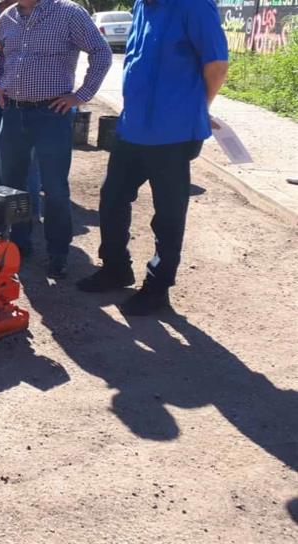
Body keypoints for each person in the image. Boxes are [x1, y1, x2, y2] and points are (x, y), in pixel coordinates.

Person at [77, 0, 229, 315]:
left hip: (173, 132)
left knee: (168, 215)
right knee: (112, 198)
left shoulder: (195, 6)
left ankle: (158, 287)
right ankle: (117, 267)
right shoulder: (143, 6)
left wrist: (198, 108)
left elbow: (216, 66)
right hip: (132, 128)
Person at [0, 0, 111, 278]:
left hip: (52, 115)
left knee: (55, 188)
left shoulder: (68, 13)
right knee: (11, 186)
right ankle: (18, 245)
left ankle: (58, 253)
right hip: (13, 112)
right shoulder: (8, 17)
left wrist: (80, 96)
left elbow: (101, 53)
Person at [0, 0, 40, 217]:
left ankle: (29, 214)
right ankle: (4, 212)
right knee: (1, 163)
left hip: (21, 105)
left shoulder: (31, 26)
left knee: (28, 166)